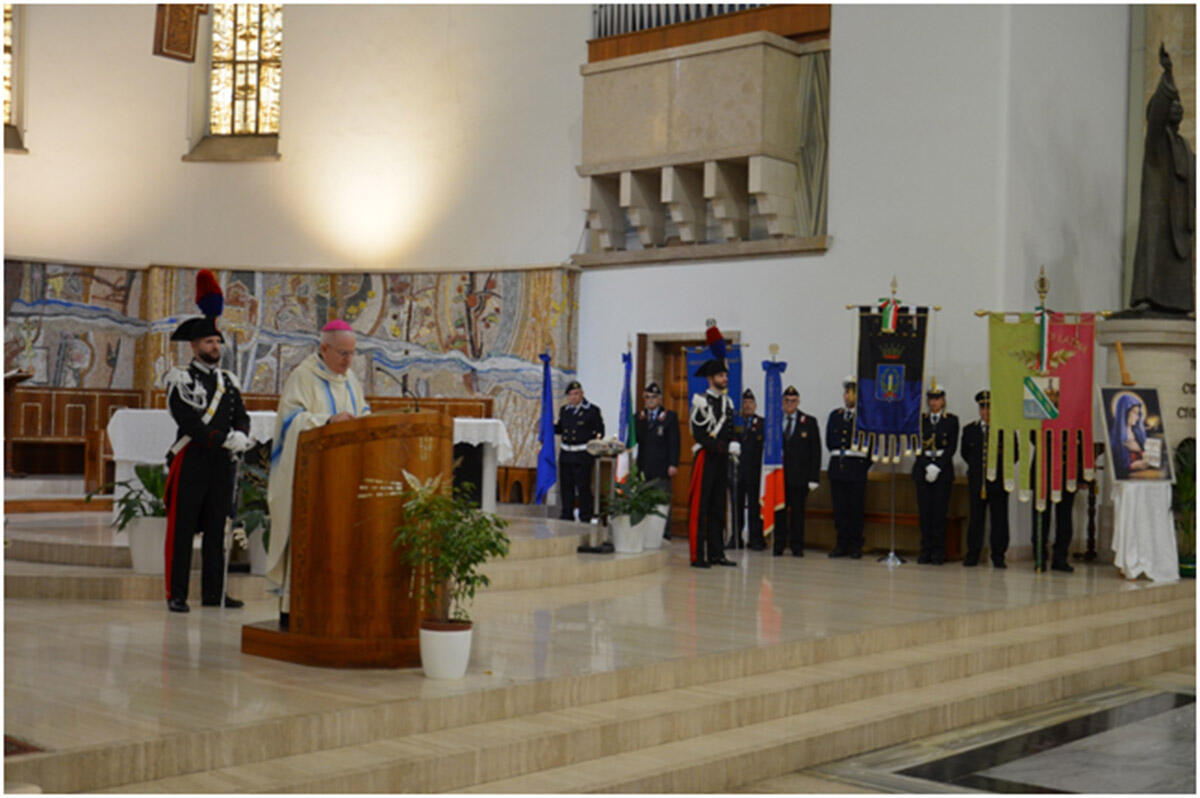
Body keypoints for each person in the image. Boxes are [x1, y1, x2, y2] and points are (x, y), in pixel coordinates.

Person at [266, 320, 371, 629]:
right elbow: (290, 422)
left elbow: (362, 412)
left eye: (352, 354)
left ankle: (336, 603)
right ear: (323, 348)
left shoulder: (351, 379)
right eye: (342, 353)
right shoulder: (302, 377)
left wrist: (361, 421)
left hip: (344, 477)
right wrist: (328, 421)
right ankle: (296, 606)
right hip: (309, 481)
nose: (348, 360)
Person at [162, 270, 252, 613]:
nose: (215, 347)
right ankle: (178, 594)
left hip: (221, 463)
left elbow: (239, 412)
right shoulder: (180, 379)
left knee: (218, 529)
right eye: (209, 342)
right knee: (183, 530)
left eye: (217, 342)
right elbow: (189, 422)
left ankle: (215, 593)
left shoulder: (228, 381)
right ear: (195, 346)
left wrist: (240, 432)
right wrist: (223, 438)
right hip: (192, 461)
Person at [1130, 44, 1195, 314]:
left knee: (1178, 268)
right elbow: (1158, 109)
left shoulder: (1185, 148)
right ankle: (1151, 296)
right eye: (1173, 106)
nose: (1177, 109)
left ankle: (1177, 302)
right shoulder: (1157, 141)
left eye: (1180, 106)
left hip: (1179, 219)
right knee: (1155, 260)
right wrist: (1167, 74)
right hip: (1160, 216)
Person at [688, 358, 738, 568]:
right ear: (710, 379)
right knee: (701, 507)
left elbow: (730, 430)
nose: (724, 379)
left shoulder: (728, 403)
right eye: (720, 376)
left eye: (725, 375)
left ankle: (717, 553)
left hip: (721, 460)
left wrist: (735, 444)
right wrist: (726, 448)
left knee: (719, 507)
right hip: (705, 459)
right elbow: (700, 435)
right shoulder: (700, 401)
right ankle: (698, 555)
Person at [959, 390, 1010, 568]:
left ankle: (998, 556)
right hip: (977, 482)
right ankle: (973, 554)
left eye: (989, 408)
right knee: (976, 519)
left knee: (999, 520)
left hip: (999, 482)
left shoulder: (1005, 430)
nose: (985, 412)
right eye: (982, 408)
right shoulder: (970, 430)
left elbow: (1015, 454)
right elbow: (966, 453)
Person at [911, 384, 958, 564]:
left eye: (937, 398)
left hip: (942, 471)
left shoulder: (951, 420)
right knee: (925, 513)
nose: (934, 402)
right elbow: (915, 446)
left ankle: (939, 551)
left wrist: (937, 467)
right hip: (922, 469)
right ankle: (925, 550)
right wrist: (926, 466)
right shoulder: (920, 420)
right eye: (931, 399)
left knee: (939, 513)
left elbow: (951, 447)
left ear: (943, 400)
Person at [826, 376, 869, 558]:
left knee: (855, 509)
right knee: (840, 509)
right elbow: (830, 441)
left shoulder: (865, 418)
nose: (848, 396)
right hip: (838, 467)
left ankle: (856, 544)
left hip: (856, 469)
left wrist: (862, 466)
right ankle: (841, 543)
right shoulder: (835, 416)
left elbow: (871, 445)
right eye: (846, 392)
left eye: (852, 392)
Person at [775, 385, 820, 557]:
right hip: (779, 476)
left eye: (793, 401)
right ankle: (779, 544)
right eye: (786, 401)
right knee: (779, 512)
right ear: (782, 402)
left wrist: (813, 477)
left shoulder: (809, 422)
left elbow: (815, 452)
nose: (789, 404)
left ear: (798, 402)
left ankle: (797, 546)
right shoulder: (775, 421)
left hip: (800, 477)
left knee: (798, 514)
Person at [1029, 434, 1083, 573]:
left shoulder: (1074, 416)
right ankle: (1040, 558)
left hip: (1067, 473)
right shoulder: (1043, 413)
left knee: (1064, 518)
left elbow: (1081, 446)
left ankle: (1060, 558)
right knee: (1041, 517)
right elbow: (1033, 436)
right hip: (1044, 472)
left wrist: (1082, 476)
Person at [635, 382, 679, 540]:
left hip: (662, 466)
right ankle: (645, 532)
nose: (650, 400)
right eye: (647, 397)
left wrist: (673, 463)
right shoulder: (639, 417)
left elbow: (674, 442)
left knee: (662, 501)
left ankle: (664, 534)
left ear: (660, 399)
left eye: (654, 397)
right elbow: (636, 440)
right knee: (644, 500)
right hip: (644, 467)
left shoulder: (669, 417)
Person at [555, 380, 604, 522]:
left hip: (582, 454)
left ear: (582, 394)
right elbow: (560, 429)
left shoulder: (592, 411)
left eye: (576, 394)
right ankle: (566, 514)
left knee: (583, 487)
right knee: (566, 487)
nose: (573, 397)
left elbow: (599, 431)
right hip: (566, 453)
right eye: (570, 395)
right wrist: (548, 427)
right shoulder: (565, 410)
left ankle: (585, 515)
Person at [732, 388, 765, 550]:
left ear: (756, 406)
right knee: (736, 507)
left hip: (755, 473)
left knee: (755, 507)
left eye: (750, 402)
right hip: (737, 472)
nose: (747, 406)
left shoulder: (762, 424)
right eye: (744, 403)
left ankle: (755, 539)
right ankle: (736, 538)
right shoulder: (735, 424)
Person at [1109, 393, 1150, 480]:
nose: (1137, 417)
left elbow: (1146, 452)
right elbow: (1116, 464)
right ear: (1124, 412)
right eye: (1134, 412)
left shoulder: (1137, 433)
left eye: (1138, 413)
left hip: (1141, 474)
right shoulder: (1115, 436)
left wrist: (1139, 450)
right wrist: (1131, 466)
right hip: (1126, 478)